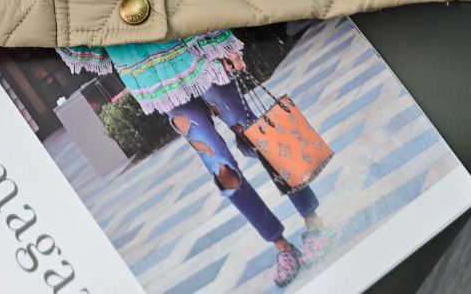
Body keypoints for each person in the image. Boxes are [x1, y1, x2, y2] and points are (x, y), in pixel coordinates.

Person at [60, 32, 329, 288]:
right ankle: (281, 246)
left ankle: (313, 221)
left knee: (258, 138)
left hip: (196, 53)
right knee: (222, 172)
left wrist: (221, 43)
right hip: (154, 80)